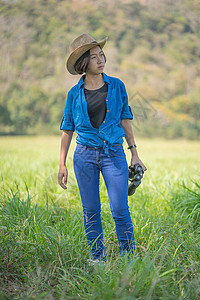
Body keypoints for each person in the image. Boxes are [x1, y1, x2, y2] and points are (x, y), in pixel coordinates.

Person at [58, 33, 147, 263]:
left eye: (101, 55)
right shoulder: (73, 94)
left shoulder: (117, 86)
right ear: (83, 63)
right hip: (84, 156)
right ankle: (97, 257)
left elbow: (125, 119)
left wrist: (134, 153)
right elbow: (67, 129)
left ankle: (128, 258)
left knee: (119, 209)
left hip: (114, 153)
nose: (101, 60)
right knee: (91, 211)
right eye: (94, 57)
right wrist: (62, 163)